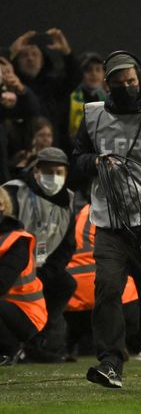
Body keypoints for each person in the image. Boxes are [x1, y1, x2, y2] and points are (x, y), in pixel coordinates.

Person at [72, 50, 141, 390]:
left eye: (132, 82)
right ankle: (110, 362)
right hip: (109, 223)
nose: (127, 87)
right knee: (107, 287)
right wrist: (95, 161)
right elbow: (76, 158)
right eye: (120, 83)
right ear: (107, 85)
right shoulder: (92, 116)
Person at [4, 146, 76, 362]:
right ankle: (18, 344)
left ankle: (39, 342)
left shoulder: (69, 199)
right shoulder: (13, 191)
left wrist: (47, 272)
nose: (53, 177)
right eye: (47, 171)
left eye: (58, 172)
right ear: (35, 171)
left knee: (65, 283)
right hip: (12, 264)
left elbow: (67, 245)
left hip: (43, 267)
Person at [63, 204, 140, 362]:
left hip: (71, 301)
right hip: (109, 301)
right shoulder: (115, 210)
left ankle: (67, 346)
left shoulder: (75, 214)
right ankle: (123, 344)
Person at [0, 186, 48, 366]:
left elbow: (2, 282)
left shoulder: (17, 240)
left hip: (27, 313)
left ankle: (9, 350)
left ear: (2, 206)